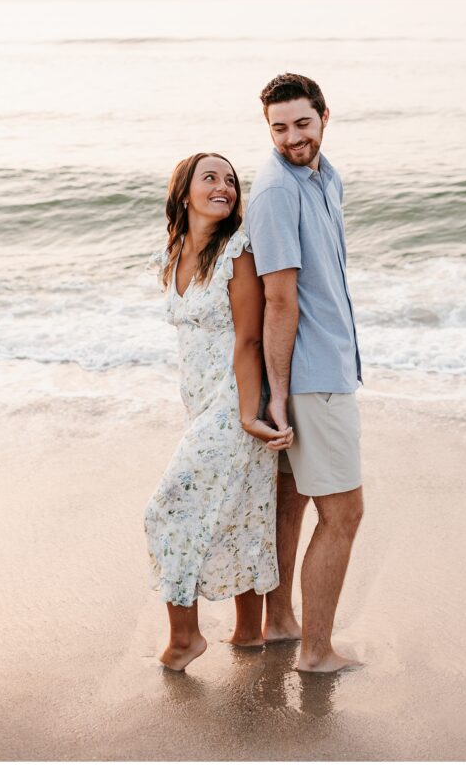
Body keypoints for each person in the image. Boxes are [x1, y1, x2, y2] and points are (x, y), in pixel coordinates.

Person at [144, 152, 294, 671]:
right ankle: (248, 634)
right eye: (211, 177)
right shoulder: (177, 250)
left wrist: (251, 412)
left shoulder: (238, 252)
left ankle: (186, 639)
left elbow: (249, 339)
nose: (224, 187)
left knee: (166, 510)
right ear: (184, 191)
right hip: (201, 403)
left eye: (231, 180)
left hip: (234, 404)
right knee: (243, 513)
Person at [244, 74, 364, 673]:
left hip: (319, 366)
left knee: (290, 500)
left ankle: (281, 622)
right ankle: (317, 653)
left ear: (323, 116)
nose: (292, 137)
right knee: (344, 512)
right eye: (279, 128)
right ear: (268, 128)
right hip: (311, 378)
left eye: (302, 123)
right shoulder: (274, 193)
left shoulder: (325, 175)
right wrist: (281, 396)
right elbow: (280, 299)